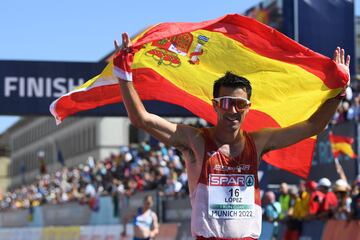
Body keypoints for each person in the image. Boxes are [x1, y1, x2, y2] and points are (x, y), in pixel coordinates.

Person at [115, 32, 350, 239]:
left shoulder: (259, 142)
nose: (232, 110)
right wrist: (124, 73)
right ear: (215, 106)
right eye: (226, 103)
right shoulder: (195, 140)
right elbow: (141, 119)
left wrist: (339, 93)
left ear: (248, 107)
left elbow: (312, 126)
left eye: (239, 104)